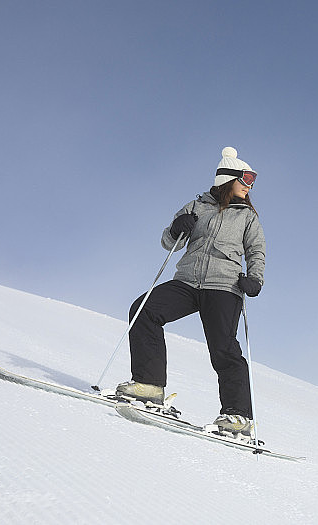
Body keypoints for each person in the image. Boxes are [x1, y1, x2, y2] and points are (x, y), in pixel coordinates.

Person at [115, 146, 265, 440]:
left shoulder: (247, 217)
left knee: (224, 348)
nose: (249, 186)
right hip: (187, 281)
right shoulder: (196, 207)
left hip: (224, 286)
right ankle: (148, 386)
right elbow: (168, 241)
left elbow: (256, 250)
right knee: (144, 310)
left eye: (252, 180)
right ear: (227, 179)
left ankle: (238, 416)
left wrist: (255, 279)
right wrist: (176, 228)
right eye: (245, 178)